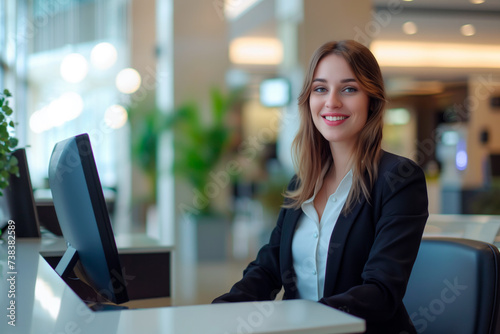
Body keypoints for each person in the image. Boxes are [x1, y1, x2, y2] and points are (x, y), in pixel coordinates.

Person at [213, 39, 429, 334]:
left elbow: (381, 292)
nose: (332, 102)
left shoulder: (399, 179)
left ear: (372, 100)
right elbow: (268, 268)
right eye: (320, 89)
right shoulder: (302, 183)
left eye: (349, 89)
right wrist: (217, 312)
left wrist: (300, 318)